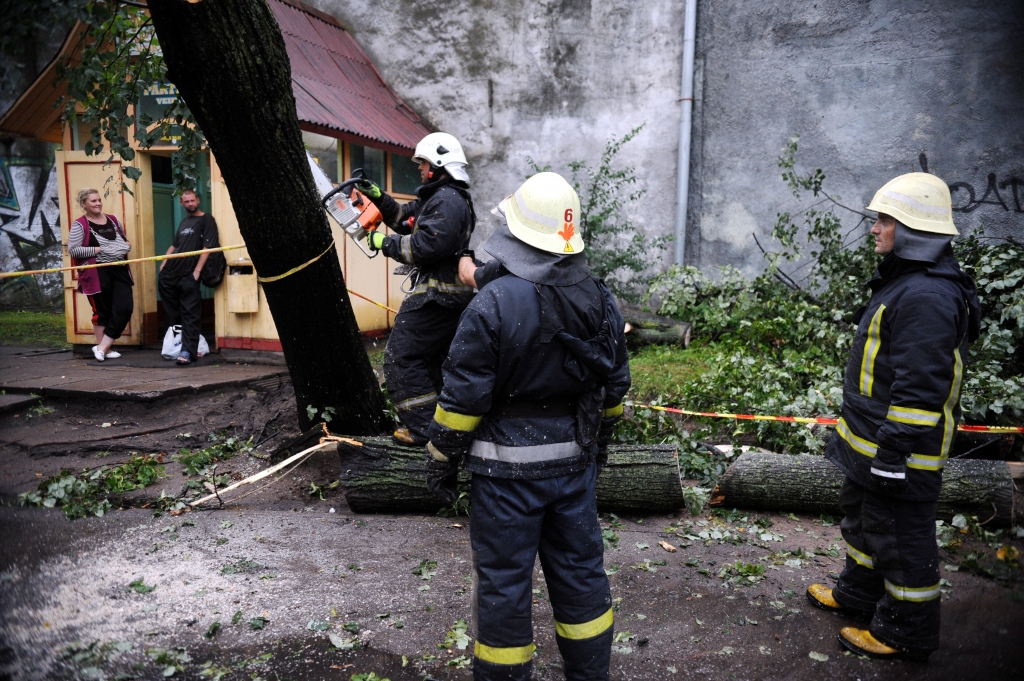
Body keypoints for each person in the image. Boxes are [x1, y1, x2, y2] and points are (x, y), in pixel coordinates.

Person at [423, 172, 631, 681]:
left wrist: (441, 459)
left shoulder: (492, 303)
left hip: (504, 482)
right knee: (582, 576)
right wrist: (596, 449)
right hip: (573, 474)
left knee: (503, 585)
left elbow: (461, 402)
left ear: (517, 235)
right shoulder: (601, 299)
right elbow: (614, 389)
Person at [806, 172, 981, 661]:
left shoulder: (927, 296)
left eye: (884, 219)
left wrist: (893, 452)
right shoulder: (908, 283)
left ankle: (906, 631)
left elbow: (921, 387)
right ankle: (859, 594)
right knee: (866, 524)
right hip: (873, 445)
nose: (874, 228)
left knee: (901, 541)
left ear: (912, 229)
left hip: (899, 453)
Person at [359, 132, 476, 444]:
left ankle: (424, 429)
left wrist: (387, 244)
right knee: (428, 364)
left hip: (439, 296)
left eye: (423, 163)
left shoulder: (448, 200)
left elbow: (429, 244)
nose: (420, 170)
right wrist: (379, 198)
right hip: (440, 297)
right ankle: (443, 431)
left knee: (400, 358)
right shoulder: (437, 199)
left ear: (438, 164)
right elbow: (403, 220)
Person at [67, 188, 133, 362]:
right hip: (97, 271)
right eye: (93, 201)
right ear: (84, 204)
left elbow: (123, 240)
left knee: (125, 308)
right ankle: (106, 349)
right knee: (102, 312)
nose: (98, 203)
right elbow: (73, 250)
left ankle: (101, 347)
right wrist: (99, 249)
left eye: (99, 200)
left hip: (119, 269)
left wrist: (126, 245)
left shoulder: (113, 219)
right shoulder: (80, 224)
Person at [158, 189, 219, 365]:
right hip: (170, 274)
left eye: (193, 200)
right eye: (187, 201)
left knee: (190, 313)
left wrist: (197, 271)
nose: (190, 204)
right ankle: (174, 347)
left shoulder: (207, 220)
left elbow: (208, 248)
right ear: (181, 203)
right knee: (172, 314)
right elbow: (174, 244)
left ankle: (187, 351)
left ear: (198, 200)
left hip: (189, 274)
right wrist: (164, 262)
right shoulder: (185, 221)